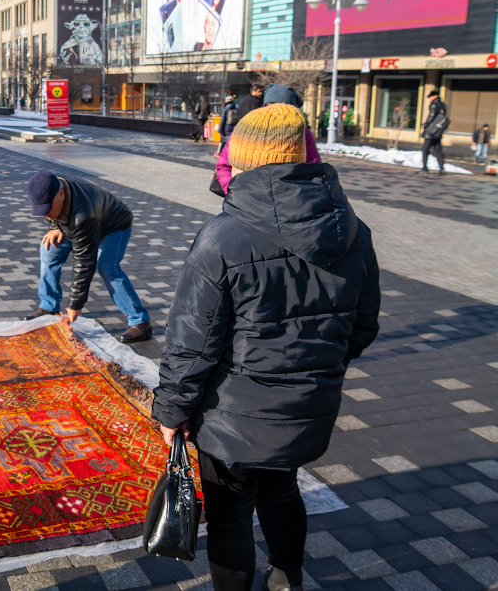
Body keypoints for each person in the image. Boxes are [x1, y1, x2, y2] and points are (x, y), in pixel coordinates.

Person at [155, 103, 380, 591]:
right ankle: (287, 578)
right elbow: (362, 327)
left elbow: (191, 342)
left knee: (231, 512)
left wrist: (171, 410)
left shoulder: (223, 237)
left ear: (247, 160)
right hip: (308, 404)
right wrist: (316, 369)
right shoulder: (353, 231)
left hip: (230, 416)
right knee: (282, 490)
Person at [24, 171, 152, 344]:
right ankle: (49, 306)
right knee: (48, 250)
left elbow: (84, 262)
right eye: (41, 210)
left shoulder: (82, 215)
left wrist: (76, 304)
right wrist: (55, 225)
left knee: (107, 268)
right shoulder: (53, 185)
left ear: (61, 194)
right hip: (78, 225)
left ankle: (140, 322)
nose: (46, 214)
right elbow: (51, 210)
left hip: (113, 225)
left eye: (48, 209)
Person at [215, 84, 321, 195]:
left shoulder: (302, 132)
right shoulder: (247, 127)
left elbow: (313, 170)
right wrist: (234, 193)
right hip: (249, 201)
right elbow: (224, 166)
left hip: (286, 202)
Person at [420, 89, 447, 174]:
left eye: (430, 97)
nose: (430, 99)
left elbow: (431, 116)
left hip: (431, 131)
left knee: (425, 149)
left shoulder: (434, 105)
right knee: (438, 149)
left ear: (434, 96)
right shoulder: (443, 105)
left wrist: (425, 124)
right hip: (438, 131)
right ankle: (442, 169)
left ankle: (424, 168)